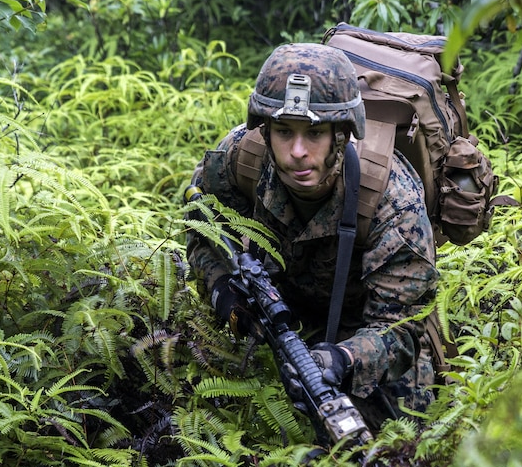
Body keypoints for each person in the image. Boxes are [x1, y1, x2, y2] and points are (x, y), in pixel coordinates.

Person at [185, 42, 439, 430]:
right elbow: (201, 226)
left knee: (391, 444)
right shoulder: (242, 156)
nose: (297, 152)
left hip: (364, 328)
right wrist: (223, 290)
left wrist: (341, 360)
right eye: (284, 131)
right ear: (266, 129)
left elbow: (399, 328)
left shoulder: (393, 200)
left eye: (314, 132)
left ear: (341, 134)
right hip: (279, 304)